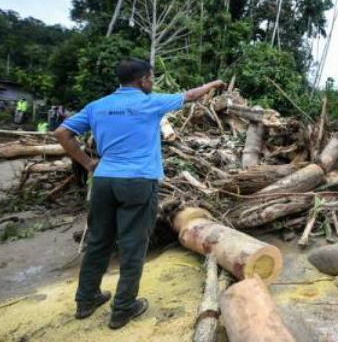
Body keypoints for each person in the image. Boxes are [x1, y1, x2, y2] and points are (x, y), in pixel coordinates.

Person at [54, 59, 225, 330]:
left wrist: (88, 163)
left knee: (99, 240)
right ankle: (123, 308)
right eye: (151, 79)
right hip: (137, 181)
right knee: (133, 244)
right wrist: (214, 84)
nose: (152, 83)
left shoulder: (97, 106)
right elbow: (190, 95)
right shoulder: (151, 101)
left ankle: (86, 300)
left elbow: (62, 133)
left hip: (103, 181)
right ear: (144, 80)